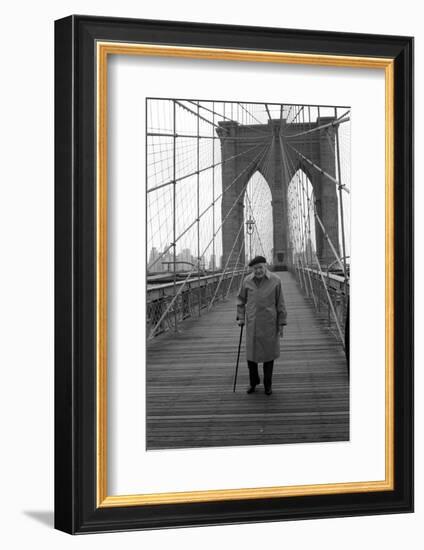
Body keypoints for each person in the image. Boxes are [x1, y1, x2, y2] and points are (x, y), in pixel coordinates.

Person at [236, 256, 287, 395]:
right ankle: (253, 382)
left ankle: (267, 385)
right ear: (252, 269)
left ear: (265, 266)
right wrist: (240, 318)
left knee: (268, 356)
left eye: (260, 267)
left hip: (269, 324)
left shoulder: (276, 281)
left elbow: (280, 303)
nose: (258, 271)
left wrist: (281, 323)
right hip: (252, 324)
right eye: (255, 268)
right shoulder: (247, 281)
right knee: (251, 356)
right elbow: (241, 300)